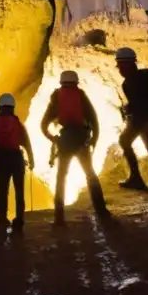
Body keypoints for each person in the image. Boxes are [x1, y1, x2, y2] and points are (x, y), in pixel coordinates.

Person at [40, 70, 110, 225]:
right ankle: (102, 211)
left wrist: (54, 139)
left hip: (65, 140)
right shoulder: (81, 95)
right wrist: (93, 141)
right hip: (81, 139)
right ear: (76, 82)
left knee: (61, 177)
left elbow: (43, 125)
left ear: (61, 82)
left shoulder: (56, 97)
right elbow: (94, 119)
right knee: (90, 175)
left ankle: (59, 217)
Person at [115, 47, 148, 191]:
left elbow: (139, 102)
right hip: (147, 118)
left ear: (126, 64)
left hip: (139, 118)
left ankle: (136, 179)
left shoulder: (130, 82)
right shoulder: (144, 77)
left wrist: (129, 109)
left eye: (120, 65)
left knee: (125, 141)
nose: (118, 68)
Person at [0, 93, 34, 232]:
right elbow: (26, 141)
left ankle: (2, 219)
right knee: (19, 191)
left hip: (2, 159)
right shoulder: (16, 120)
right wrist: (31, 159)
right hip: (17, 159)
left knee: (2, 190)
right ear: (13, 106)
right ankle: (19, 219)